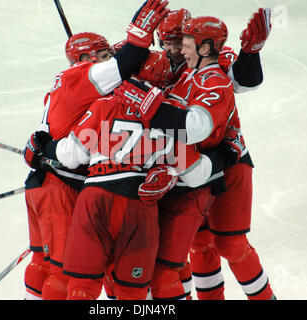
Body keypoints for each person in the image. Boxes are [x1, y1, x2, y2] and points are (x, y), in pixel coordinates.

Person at [30, 49, 238, 300]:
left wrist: (44, 147)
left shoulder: (103, 104)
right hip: (140, 209)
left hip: (95, 200)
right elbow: (196, 175)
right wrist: (224, 154)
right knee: (133, 293)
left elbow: (70, 155)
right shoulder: (171, 118)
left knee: (82, 288)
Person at [22, 0, 170, 300]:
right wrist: (139, 37)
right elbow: (125, 65)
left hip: (46, 182)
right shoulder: (82, 74)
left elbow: (53, 135)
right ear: (87, 57)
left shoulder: (67, 84)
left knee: (44, 262)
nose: (107, 61)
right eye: (103, 56)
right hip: (62, 183)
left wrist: (42, 147)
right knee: (64, 274)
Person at [126, 11, 275, 300]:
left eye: (177, 42)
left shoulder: (211, 69)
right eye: (165, 43)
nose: (172, 50)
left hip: (228, 162)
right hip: (191, 169)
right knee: (200, 245)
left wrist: (250, 53)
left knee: (231, 244)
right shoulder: (167, 69)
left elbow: (245, 81)